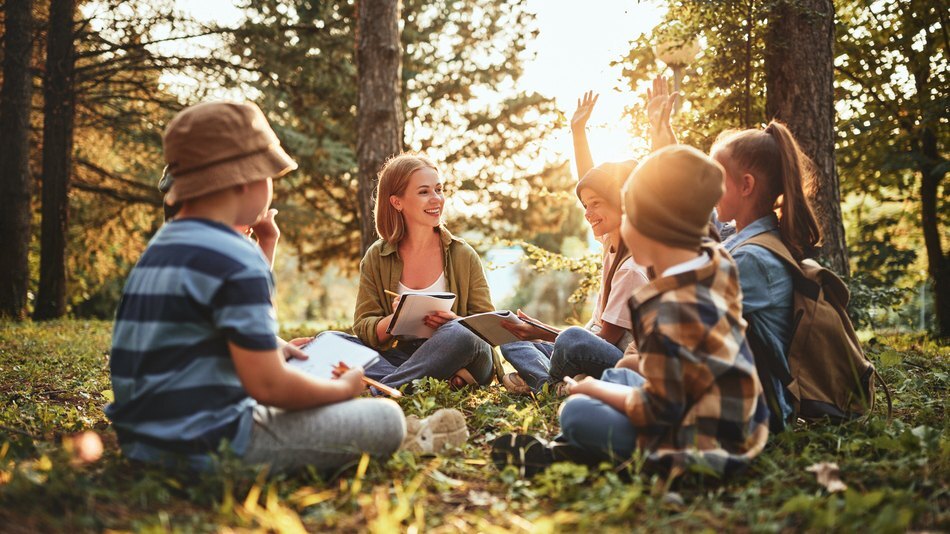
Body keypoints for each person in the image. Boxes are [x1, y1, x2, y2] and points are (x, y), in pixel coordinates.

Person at [105, 101, 408, 473]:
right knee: (387, 421)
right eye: (269, 177)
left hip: (142, 443)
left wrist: (274, 350)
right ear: (244, 179)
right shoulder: (236, 255)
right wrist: (341, 391)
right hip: (213, 447)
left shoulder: (160, 248)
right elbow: (269, 387)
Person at [493, 145, 770, 478]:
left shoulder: (673, 305)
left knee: (578, 411)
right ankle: (576, 452)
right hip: (731, 415)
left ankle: (585, 454)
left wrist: (592, 389)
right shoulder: (713, 262)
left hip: (708, 444)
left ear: (656, 224)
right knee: (620, 373)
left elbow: (656, 408)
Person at [646, 77, 820, 430]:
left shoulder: (751, 259)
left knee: (593, 405)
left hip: (751, 410)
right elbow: (692, 204)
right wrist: (663, 138)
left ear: (745, 186)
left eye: (715, 177)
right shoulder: (744, 237)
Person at [497, 92, 649, 395]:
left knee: (570, 340)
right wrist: (578, 132)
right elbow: (593, 181)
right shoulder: (611, 241)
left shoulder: (633, 268)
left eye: (595, 205)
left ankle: (547, 386)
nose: (588, 213)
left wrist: (542, 331)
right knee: (513, 341)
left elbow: (600, 343)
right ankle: (555, 384)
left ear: (622, 204)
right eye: (584, 205)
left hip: (618, 363)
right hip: (589, 349)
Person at [328, 153, 495, 392]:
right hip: (405, 358)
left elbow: (488, 328)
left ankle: (382, 389)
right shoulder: (377, 257)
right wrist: (394, 321)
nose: (436, 199)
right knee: (330, 340)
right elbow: (364, 327)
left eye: (439, 189)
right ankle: (426, 382)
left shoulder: (462, 254)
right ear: (397, 202)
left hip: (463, 352)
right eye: (424, 192)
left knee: (462, 335)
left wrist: (455, 322)